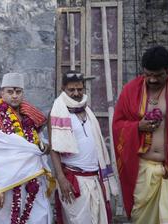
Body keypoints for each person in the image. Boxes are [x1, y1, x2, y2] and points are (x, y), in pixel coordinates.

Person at [113, 46, 168, 223]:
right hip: (143, 170)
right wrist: (137, 127)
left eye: (158, 75)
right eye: (148, 74)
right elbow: (118, 125)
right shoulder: (130, 91)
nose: (152, 79)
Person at [49, 71, 118, 224]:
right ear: (63, 89)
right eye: (71, 90)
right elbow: (54, 148)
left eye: (80, 89)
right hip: (73, 180)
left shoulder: (87, 110)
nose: (76, 93)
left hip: (93, 178)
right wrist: (61, 178)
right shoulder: (58, 112)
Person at [0, 72, 53, 224]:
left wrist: (42, 147)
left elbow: (39, 145)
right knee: (5, 218)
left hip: (33, 176)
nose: (14, 96)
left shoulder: (30, 116)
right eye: (10, 92)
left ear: (23, 93)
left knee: (37, 215)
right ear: (2, 93)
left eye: (18, 92)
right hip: (7, 181)